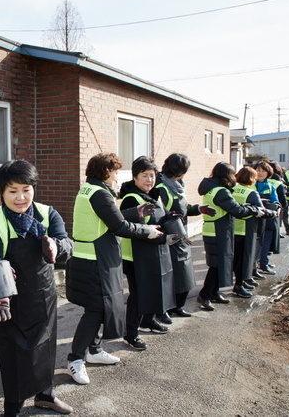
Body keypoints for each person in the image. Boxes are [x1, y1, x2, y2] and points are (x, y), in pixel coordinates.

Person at [0, 160, 74, 417]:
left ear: (34, 188)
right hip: (10, 302)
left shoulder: (47, 213)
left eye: (26, 189)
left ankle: (46, 396)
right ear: (1, 192)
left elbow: (67, 242)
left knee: (45, 348)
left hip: (43, 295)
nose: (20, 197)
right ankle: (13, 407)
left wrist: (57, 248)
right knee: (14, 356)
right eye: (12, 191)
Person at [66, 152, 161, 384]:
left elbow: (108, 218)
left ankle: (94, 350)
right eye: (115, 172)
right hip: (96, 260)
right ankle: (75, 358)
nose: (117, 177)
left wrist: (136, 213)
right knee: (96, 309)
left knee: (100, 306)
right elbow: (118, 226)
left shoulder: (89, 189)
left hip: (90, 257)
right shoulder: (100, 193)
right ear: (106, 172)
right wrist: (148, 231)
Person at [119, 156, 179, 348]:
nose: (149, 180)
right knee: (138, 295)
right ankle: (131, 333)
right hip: (136, 255)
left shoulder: (153, 196)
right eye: (144, 176)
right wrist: (163, 237)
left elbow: (158, 220)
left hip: (154, 251)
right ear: (135, 178)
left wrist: (172, 219)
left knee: (153, 289)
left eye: (152, 176)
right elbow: (133, 229)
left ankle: (148, 320)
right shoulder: (131, 198)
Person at [154, 153, 216, 318]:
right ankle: (164, 309)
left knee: (184, 274)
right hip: (170, 237)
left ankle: (177, 306)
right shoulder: (162, 187)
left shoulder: (178, 184)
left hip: (182, 235)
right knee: (171, 275)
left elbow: (184, 208)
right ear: (179, 170)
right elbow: (162, 214)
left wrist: (199, 209)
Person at [197, 162, 261, 311]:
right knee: (217, 264)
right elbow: (236, 210)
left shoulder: (212, 188)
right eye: (232, 174)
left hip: (215, 229)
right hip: (217, 231)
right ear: (226, 175)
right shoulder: (221, 192)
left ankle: (214, 292)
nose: (234, 177)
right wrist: (253, 209)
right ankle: (205, 294)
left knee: (220, 263)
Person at [231, 167, 276, 298]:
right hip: (245, 229)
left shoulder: (231, 190)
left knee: (236, 259)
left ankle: (240, 283)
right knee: (244, 260)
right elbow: (261, 212)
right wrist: (273, 213)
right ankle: (239, 285)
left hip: (233, 228)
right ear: (251, 179)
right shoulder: (251, 193)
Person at [254, 161, 280, 275]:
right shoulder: (250, 185)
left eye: (263, 171)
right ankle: (254, 266)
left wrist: (274, 206)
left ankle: (263, 264)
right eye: (258, 170)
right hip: (254, 218)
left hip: (268, 218)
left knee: (266, 242)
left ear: (268, 173)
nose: (260, 173)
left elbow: (275, 201)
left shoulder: (270, 186)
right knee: (254, 244)